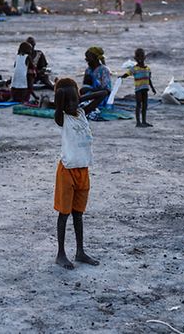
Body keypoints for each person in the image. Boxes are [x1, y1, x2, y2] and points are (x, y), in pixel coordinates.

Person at [53, 78, 107, 270]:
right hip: (67, 171)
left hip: (83, 169)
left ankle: (80, 251)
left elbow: (104, 93)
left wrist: (79, 97)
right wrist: (65, 97)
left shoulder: (83, 112)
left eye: (74, 100)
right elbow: (59, 106)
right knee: (64, 213)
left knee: (78, 213)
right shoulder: (62, 118)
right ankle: (61, 254)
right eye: (67, 102)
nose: (71, 105)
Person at [120, 48, 157, 127]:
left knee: (145, 105)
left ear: (144, 57)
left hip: (145, 89)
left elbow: (149, 79)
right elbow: (127, 74)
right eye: (138, 56)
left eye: (141, 56)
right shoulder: (134, 69)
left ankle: (144, 121)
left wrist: (153, 88)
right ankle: (138, 122)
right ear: (135, 58)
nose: (140, 58)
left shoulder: (148, 69)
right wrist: (121, 77)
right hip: (138, 90)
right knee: (138, 105)